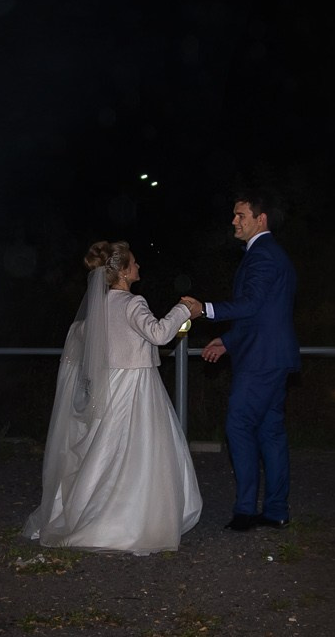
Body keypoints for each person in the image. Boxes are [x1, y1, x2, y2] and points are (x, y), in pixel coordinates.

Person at [23, 241, 203, 554]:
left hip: (108, 385)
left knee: (105, 450)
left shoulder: (96, 310)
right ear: (121, 272)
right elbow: (159, 334)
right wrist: (183, 310)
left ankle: (93, 512)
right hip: (136, 386)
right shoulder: (132, 303)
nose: (138, 268)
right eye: (133, 263)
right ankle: (129, 522)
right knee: (138, 451)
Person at [185, 196, 299, 530]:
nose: (234, 221)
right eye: (233, 215)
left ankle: (246, 510)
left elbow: (250, 304)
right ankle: (276, 510)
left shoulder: (263, 254)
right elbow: (266, 312)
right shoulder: (269, 253)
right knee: (270, 432)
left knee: (238, 425)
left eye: (240, 215)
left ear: (260, 218)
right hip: (272, 355)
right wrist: (228, 341)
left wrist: (204, 309)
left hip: (262, 361)